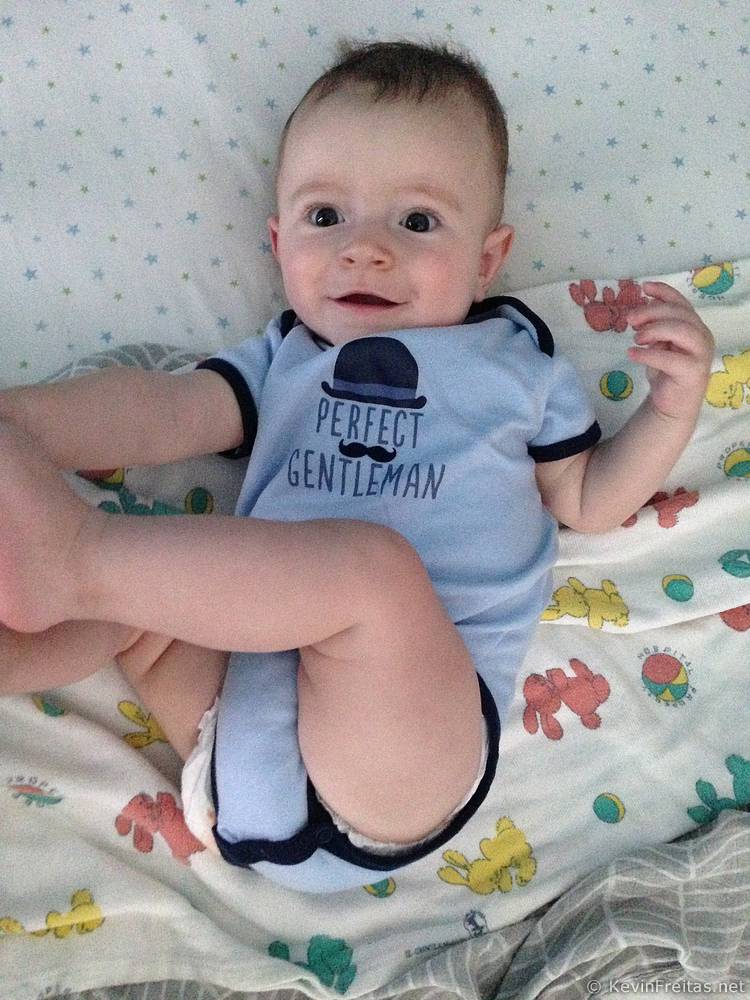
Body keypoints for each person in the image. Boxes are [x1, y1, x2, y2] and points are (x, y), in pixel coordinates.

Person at [0, 39, 714, 893]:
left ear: (488, 259)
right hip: (234, 734)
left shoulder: (515, 370)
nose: (364, 249)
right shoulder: (286, 361)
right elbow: (163, 411)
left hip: (404, 757)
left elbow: (589, 499)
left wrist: (672, 408)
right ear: (278, 243)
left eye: (416, 223)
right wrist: (24, 425)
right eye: (325, 217)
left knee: (370, 573)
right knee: (140, 613)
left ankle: (75, 561)